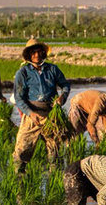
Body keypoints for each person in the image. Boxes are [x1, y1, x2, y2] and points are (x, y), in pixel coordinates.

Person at [11, 37, 71, 172]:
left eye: (39, 52)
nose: (37, 55)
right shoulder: (23, 73)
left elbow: (65, 85)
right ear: (28, 55)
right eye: (33, 52)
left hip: (50, 115)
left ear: (43, 53)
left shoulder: (52, 69)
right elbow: (19, 98)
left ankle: (54, 180)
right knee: (22, 149)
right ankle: (18, 178)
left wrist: (62, 97)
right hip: (32, 115)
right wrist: (31, 114)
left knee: (54, 150)